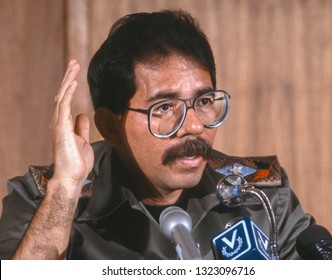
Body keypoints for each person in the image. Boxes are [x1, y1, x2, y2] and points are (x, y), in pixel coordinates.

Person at [0, 10, 314, 260]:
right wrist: (64, 192)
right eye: (164, 107)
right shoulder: (42, 198)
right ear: (110, 126)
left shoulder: (261, 196)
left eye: (203, 102)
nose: (193, 126)